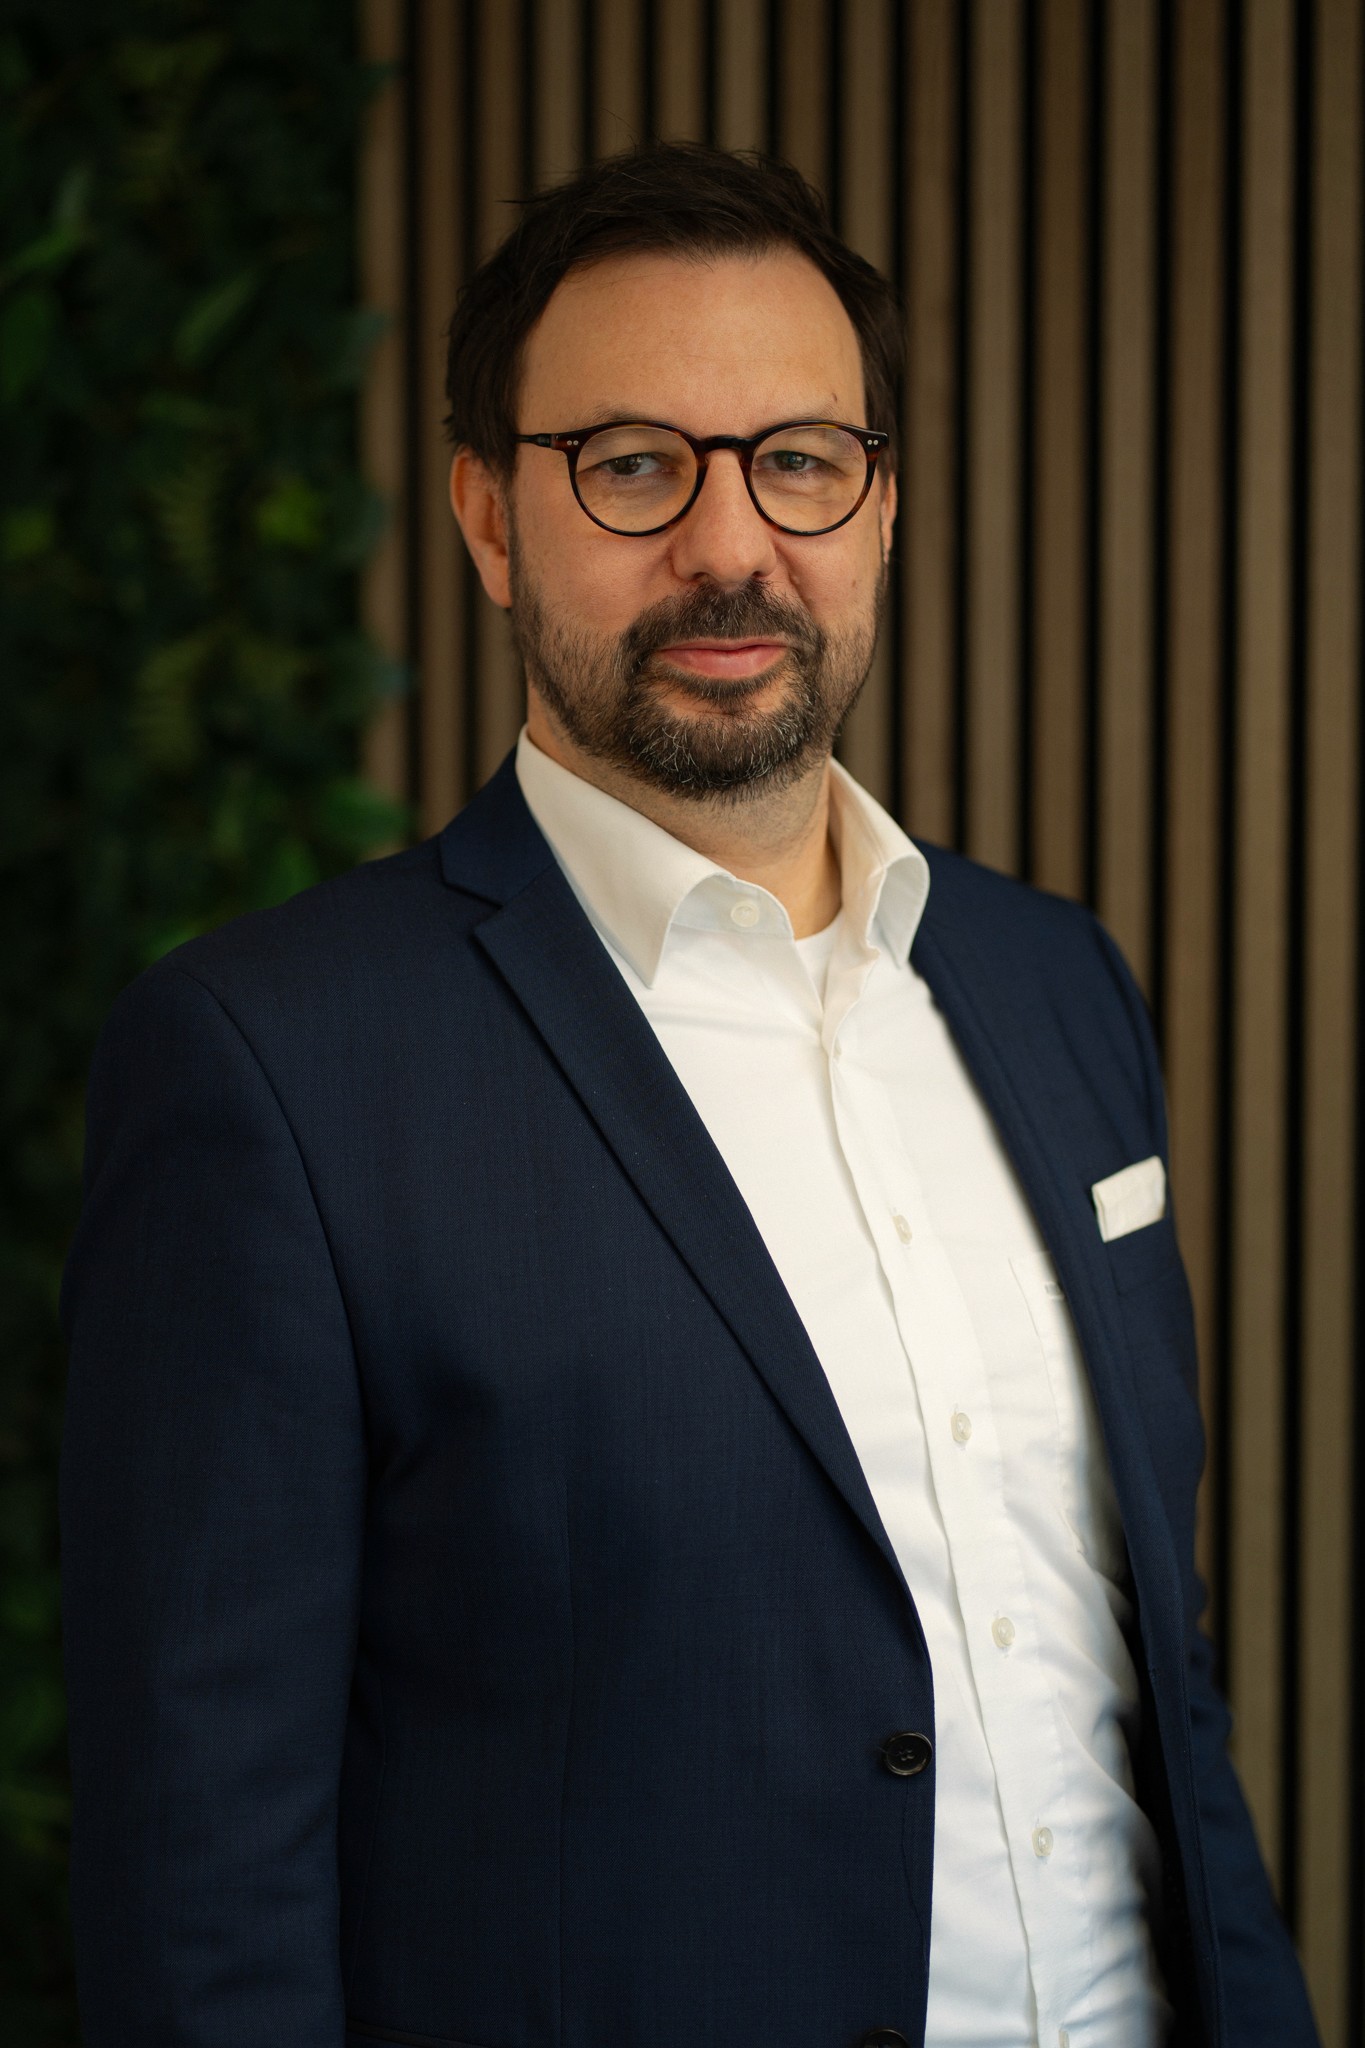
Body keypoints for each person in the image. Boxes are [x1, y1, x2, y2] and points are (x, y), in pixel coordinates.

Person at [60, 141, 1318, 2048]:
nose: (731, 546)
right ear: (490, 516)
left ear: (879, 508)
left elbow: (1144, 1682)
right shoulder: (266, 1068)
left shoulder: (1057, 986)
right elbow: (205, 1864)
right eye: (632, 464)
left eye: (799, 460)